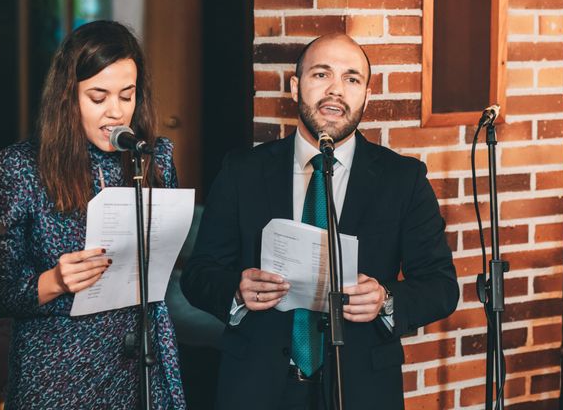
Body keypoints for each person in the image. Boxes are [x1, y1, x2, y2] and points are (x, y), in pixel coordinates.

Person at [180, 33, 459, 409]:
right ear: (296, 86)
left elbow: (441, 286)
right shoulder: (241, 171)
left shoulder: (403, 179)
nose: (336, 91)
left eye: (351, 79)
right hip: (256, 385)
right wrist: (236, 289)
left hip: (362, 388)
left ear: (367, 94)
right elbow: (198, 275)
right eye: (321, 75)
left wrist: (386, 299)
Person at [0, 20, 186, 409]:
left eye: (127, 96)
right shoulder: (22, 167)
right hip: (58, 369)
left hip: (140, 361)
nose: (115, 112)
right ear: (67, 97)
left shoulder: (154, 158)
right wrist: (55, 280)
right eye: (98, 97)